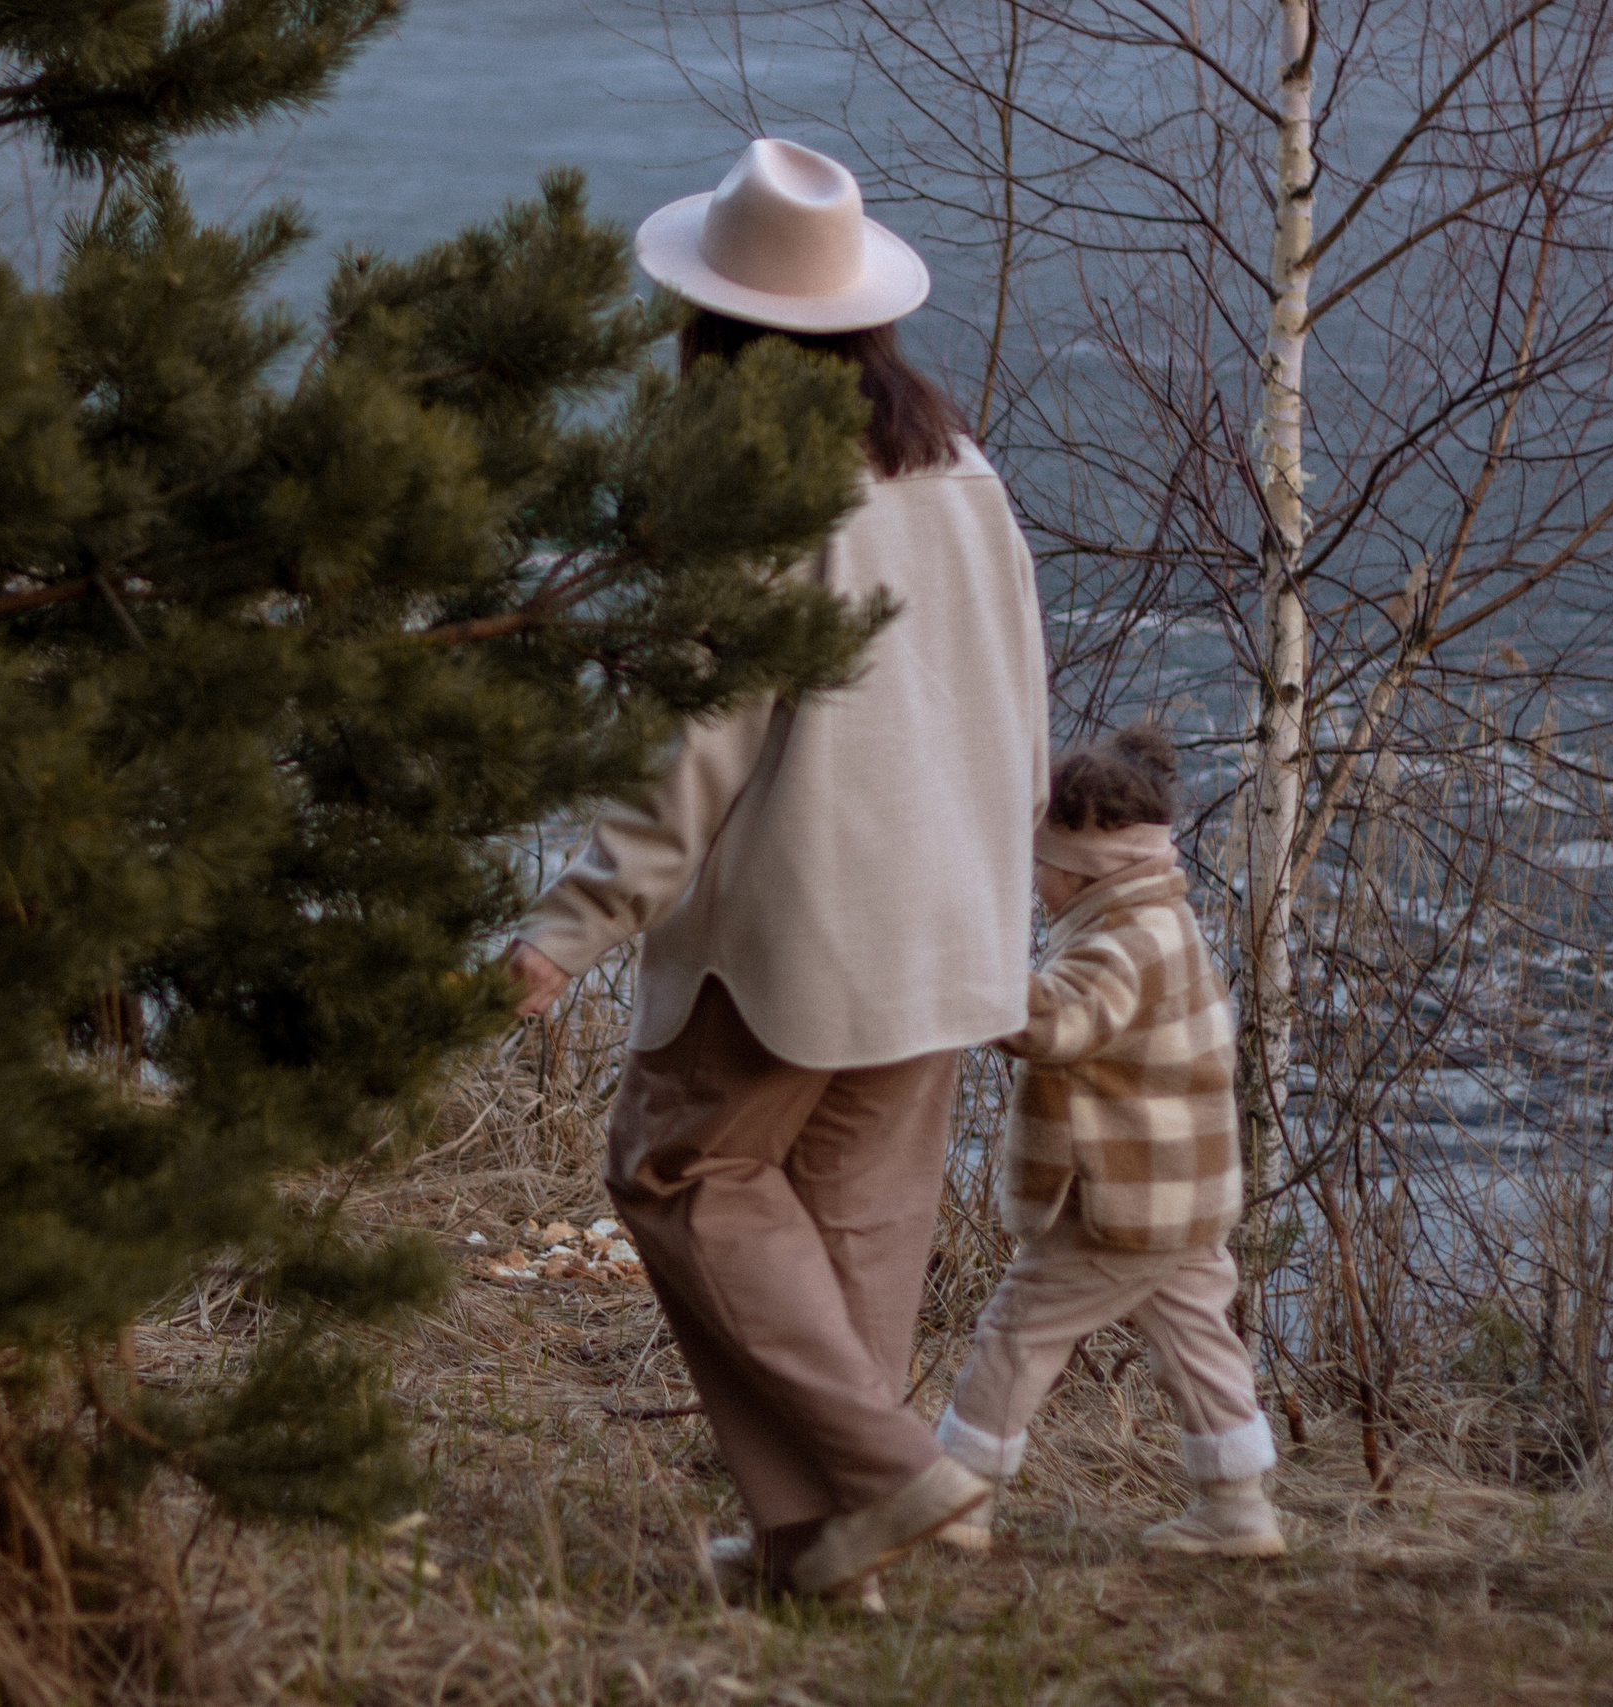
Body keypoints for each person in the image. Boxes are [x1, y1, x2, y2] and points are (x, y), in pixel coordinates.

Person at [507, 137, 1049, 1605]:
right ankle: (824, 1556)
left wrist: (573, 921)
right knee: (855, 1226)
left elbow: (695, 738)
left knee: (679, 1164)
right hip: (946, 929)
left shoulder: (752, 492)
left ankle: (889, 1466)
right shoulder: (960, 466)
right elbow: (1015, 696)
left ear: (713, 327)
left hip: (799, 935)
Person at [930, 725, 1285, 1558]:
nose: (1035, 879)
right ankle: (1237, 1506)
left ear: (1088, 868)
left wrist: (968, 975)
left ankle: (954, 1495)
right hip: (1182, 1194)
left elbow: (1062, 1021)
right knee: (1198, 1341)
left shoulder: (1122, 942)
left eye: (1041, 865)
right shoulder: (1161, 917)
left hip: (1116, 1200)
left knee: (1018, 1331)